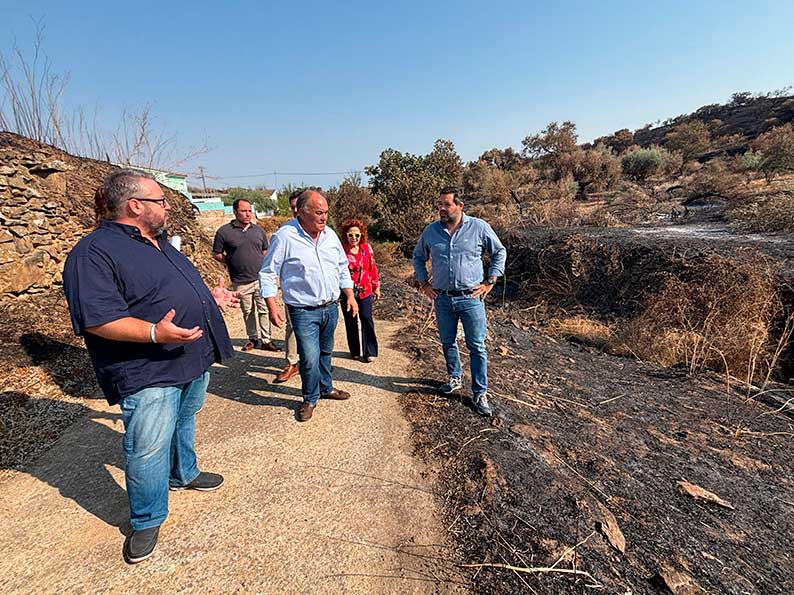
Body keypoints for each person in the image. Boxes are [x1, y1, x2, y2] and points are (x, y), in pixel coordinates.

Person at [63, 169, 238, 564]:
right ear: (135, 206)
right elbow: (96, 318)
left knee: (184, 419)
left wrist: (210, 298)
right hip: (147, 369)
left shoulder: (157, 242)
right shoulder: (93, 253)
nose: (168, 207)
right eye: (161, 200)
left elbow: (163, 291)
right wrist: (156, 333)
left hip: (189, 357)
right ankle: (147, 518)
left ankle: (184, 473)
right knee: (147, 446)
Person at [259, 190, 359, 422]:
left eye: (326, 212)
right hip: (303, 311)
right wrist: (272, 306)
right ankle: (310, 398)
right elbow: (267, 273)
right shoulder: (285, 236)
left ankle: (326, 388)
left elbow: (342, 267)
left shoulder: (330, 235)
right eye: (319, 212)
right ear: (302, 212)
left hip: (330, 307)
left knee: (325, 352)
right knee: (310, 358)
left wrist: (350, 295)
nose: (324, 217)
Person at [412, 186, 506, 417]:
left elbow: (499, 252)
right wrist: (423, 283)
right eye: (440, 205)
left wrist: (490, 281)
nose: (442, 209)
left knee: (477, 346)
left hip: (471, 298)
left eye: (447, 204)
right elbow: (418, 256)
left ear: (460, 206)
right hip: (443, 299)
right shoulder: (431, 231)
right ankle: (454, 378)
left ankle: (480, 392)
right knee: (447, 341)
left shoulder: (478, 227)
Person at [213, 199, 279, 352]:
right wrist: (231, 261)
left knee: (264, 309)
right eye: (243, 211)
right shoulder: (224, 232)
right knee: (247, 311)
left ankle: (267, 340)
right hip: (240, 280)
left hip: (260, 279)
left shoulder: (259, 231)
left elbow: (265, 251)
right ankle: (252, 339)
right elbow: (216, 253)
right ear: (235, 212)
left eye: (249, 210)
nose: (248, 214)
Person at [339, 218, 380, 362]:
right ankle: (354, 350)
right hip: (347, 292)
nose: (354, 238)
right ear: (346, 235)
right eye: (350, 235)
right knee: (351, 320)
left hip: (365, 290)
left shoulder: (366, 248)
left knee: (367, 318)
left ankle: (370, 351)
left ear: (361, 235)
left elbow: (372, 268)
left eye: (357, 235)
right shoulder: (341, 250)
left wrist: (376, 286)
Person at [274, 189, 302, 383]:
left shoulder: (323, 233)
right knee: (292, 327)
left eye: (299, 206)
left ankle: (316, 363)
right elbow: (271, 268)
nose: (296, 211)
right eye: (293, 207)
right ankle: (292, 363)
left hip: (317, 297)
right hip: (294, 296)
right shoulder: (285, 234)